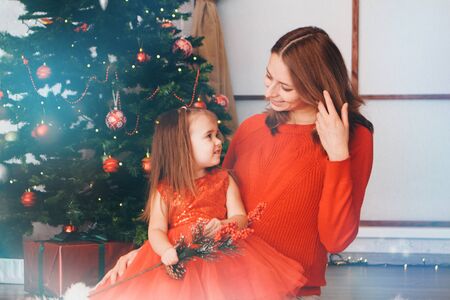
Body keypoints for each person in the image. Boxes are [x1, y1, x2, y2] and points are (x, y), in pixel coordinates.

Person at [100, 26, 374, 299]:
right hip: (223, 283)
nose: (270, 93)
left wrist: (338, 154)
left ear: (317, 85)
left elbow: (336, 239)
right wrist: (148, 251)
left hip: (292, 288)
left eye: (286, 87)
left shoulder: (354, 138)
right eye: (269, 78)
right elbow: (206, 202)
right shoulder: (252, 129)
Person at [89, 107, 306, 300]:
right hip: (176, 254)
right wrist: (166, 251)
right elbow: (155, 229)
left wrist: (223, 225)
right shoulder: (165, 189)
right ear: (182, 146)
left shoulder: (224, 179)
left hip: (219, 253)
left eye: (217, 135)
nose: (219, 142)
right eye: (209, 136)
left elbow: (241, 218)